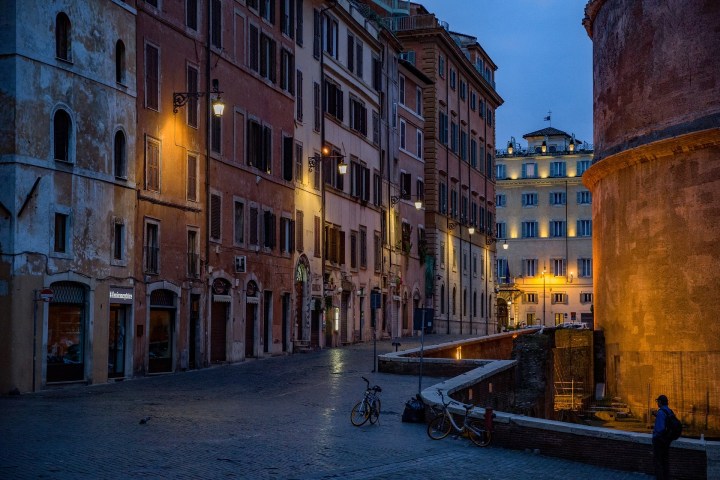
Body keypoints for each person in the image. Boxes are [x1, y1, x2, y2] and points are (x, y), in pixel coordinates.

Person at [652, 394, 673, 479]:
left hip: (659, 441)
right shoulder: (669, 411)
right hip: (667, 440)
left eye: (658, 401)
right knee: (665, 461)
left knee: (658, 462)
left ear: (660, 402)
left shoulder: (661, 412)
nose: (657, 403)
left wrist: (654, 436)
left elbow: (660, 429)